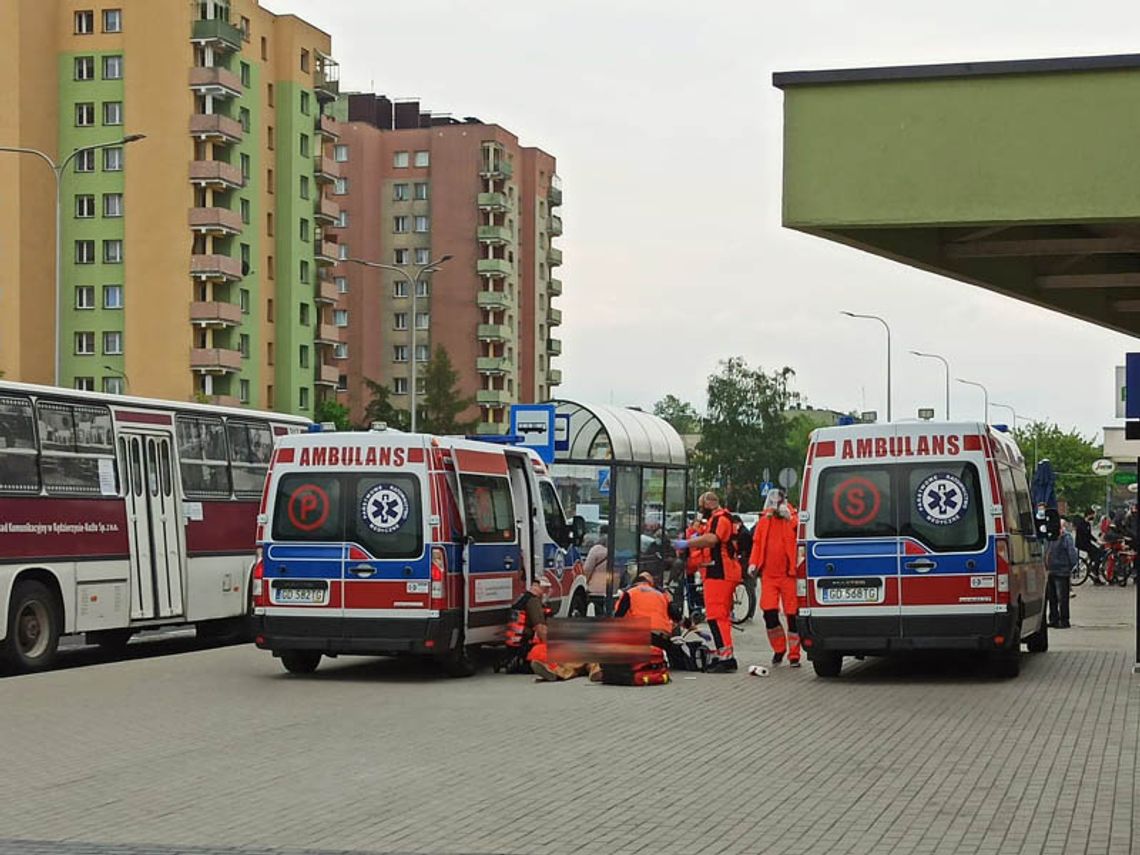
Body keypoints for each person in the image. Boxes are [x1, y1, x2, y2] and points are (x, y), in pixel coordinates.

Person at [673, 491, 741, 672]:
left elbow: (712, 540)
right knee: (720, 617)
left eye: (701, 505)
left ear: (709, 503)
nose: (700, 509)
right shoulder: (717, 519)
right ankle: (725, 654)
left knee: (716, 616)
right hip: (719, 572)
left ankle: (726, 658)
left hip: (720, 573)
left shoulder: (720, 518)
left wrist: (688, 543)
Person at [748, 488, 801, 666]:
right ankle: (779, 648)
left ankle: (794, 654)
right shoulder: (765, 520)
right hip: (769, 575)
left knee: (792, 615)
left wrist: (791, 519)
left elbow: (801, 532)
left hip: (789, 574)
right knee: (769, 613)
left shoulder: (791, 518)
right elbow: (757, 543)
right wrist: (753, 563)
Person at [614, 571, 678, 646]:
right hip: (661, 636)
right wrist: (689, 625)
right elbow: (676, 614)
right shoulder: (662, 595)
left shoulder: (630, 593)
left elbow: (618, 616)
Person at [1045, 520, 1077, 628]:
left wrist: (1071, 567)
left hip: (1062, 571)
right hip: (1051, 571)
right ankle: (1053, 619)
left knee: (1062, 598)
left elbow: (1072, 553)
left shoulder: (1066, 538)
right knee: (1052, 597)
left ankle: (1064, 620)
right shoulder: (1050, 537)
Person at [1073, 511, 1104, 585]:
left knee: (1097, 552)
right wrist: (1096, 542)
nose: (1094, 517)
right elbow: (1086, 534)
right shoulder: (1082, 524)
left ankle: (1094, 573)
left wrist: (1097, 541)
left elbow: (1089, 535)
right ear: (1089, 515)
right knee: (1098, 555)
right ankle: (1094, 570)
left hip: (1086, 543)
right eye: (1093, 515)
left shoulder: (1087, 524)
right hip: (1082, 544)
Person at [583, 527, 609, 616]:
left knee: (597, 614)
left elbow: (587, 569)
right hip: (612, 591)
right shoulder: (618, 550)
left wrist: (584, 583)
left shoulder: (597, 549)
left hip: (596, 591)